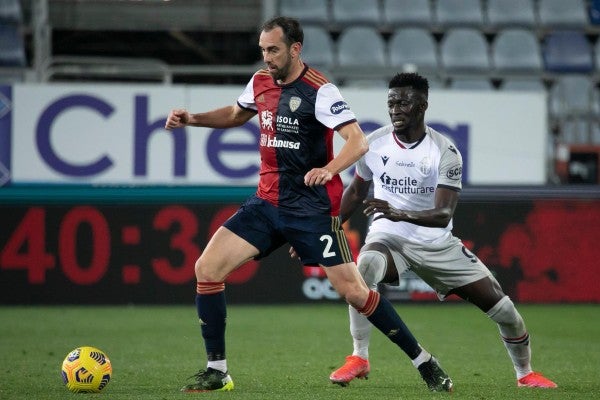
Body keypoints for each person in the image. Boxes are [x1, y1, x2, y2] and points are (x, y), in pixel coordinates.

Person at [164, 17, 452, 393]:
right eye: (263, 50)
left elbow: (357, 142)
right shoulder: (260, 82)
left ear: (295, 49)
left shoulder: (321, 90)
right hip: (266, 204)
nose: (267, 57)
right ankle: (218, 370)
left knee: (354, 292)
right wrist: (194, 119)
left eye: (274, 50)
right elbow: (237, 114)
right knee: (207, 268)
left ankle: (423, 361)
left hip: (312, 211)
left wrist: (329, 168)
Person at [329, 72, 558, 389]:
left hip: (438, 244)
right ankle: (359, 357)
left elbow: (443, 214)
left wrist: (400, 211)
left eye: (404, 102)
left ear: (422, 105)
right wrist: (328, 226)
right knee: (364, 267)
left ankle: (525, 374)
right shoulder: (374, 144)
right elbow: (356, 191)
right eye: (391, 102)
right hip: (389, 238)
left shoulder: (444, 151)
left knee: (506, 312)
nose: (395, 109)